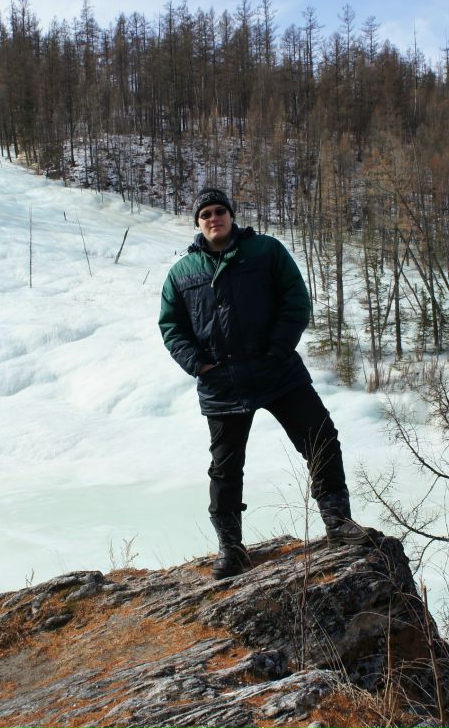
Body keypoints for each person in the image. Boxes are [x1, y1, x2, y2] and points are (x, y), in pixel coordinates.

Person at [158, 188, 371, 580]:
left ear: (231, 215)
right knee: (225, 469)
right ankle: (231, 549)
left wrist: (277, 350)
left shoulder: (266, 251)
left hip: (278, 372)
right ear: (198, 223)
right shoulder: (182, 273)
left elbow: (296, 301)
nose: (214, 218)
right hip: (222, 384)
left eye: (220, 211)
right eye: (206, 214)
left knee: (321, 438)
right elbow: (172, 328)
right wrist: (200, 365)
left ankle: (338, 523)